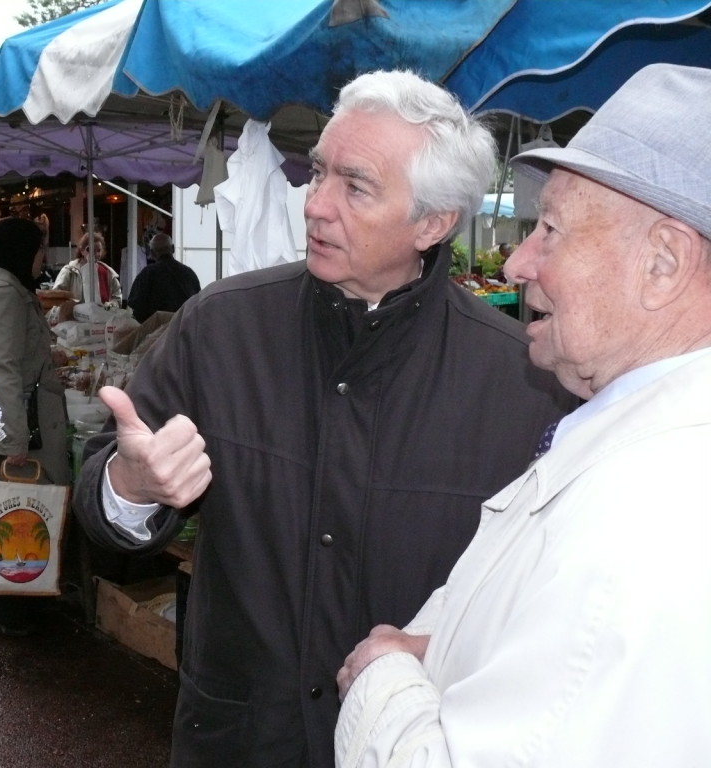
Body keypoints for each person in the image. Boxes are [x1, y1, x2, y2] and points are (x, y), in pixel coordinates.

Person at [72, 70, 577, 767]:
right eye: (319, 175)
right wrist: (128, 486)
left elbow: (552, 604)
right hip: (239, 743)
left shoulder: (523, 382)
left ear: (432, 223)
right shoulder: (221, 327)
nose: (317, 206)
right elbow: (100, 505)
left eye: (356, 186)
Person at [334, 62, 711, 768]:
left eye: (552, 229)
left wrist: (385, 675)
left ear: (663, 265)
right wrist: (443, 649)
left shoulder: (652, 516)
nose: (516, 265)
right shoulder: (639, 444)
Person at [0, 216, 71, 635]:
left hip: (10, 416)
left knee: (11, 513)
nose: (42, 258)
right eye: (40, 250)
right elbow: (3, 370)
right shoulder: (5, 295)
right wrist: (14, 441)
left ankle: (16, 602)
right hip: (22, 423)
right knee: (19, 514)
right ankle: (8, 610)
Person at [126, 233, 201, 322]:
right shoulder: (189, 274)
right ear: (172, 248)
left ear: (152, 253)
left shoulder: (147, 274)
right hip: (184, 330)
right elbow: (198, 304)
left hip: (156, 332)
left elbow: (135, 308)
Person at [52, 231, 122, 304]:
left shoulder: (108, 273)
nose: (96, 254)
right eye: (92, 250)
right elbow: (56, 294)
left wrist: (110, 306)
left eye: (98, 250)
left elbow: (117, 297)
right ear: (82, 251)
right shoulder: (70, 271)